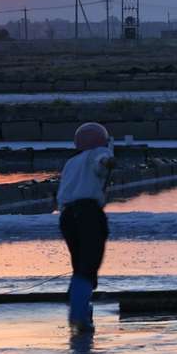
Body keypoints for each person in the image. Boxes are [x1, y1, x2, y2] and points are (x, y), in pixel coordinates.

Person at [55, 121, 115, 333]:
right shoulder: (98, 153)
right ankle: (78, 315)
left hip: (67, 217)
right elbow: (102, 161)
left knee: (79, 264)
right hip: (88, 214)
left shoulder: (71, 162)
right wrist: (108, 161)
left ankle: (79, 304)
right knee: (88, 266)